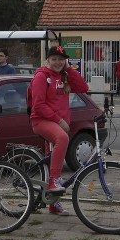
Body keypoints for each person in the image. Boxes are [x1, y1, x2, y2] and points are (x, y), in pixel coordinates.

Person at [29, 45, 89, 215]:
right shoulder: (42, 76)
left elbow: (83, 87)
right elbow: (38, 105)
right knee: (62, 139)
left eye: (61, 60)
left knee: (52, 161)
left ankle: (53, 203)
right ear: (47, 60)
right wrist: (59, 120)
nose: (57, 62)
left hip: (57, 124)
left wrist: (68, 69)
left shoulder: (64, 76)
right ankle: (54, 181)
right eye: (54, 59)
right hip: (42, 121)